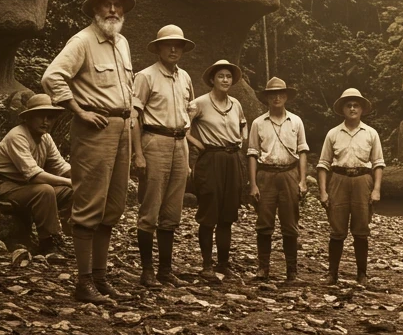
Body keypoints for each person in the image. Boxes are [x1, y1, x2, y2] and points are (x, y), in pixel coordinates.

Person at [41, 0, 136, 304]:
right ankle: (83, 282)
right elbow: (52, 76)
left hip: (122, 127)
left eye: (117, 4)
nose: (112, 9)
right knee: (89, 205)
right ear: (95, 9)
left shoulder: (121, 42)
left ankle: (99, 277)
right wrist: (78, 110)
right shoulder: (82, 41)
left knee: (113, 206)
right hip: (95, 128)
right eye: (106, 4)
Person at [132, 24, 197, 287]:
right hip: (154, 141)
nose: (173, 49)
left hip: (179, 143)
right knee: (151, 209)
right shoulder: (145, 76)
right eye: (168, 44)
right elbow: (135, 116)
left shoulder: (185, 78)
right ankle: (147, 271)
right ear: (158, 48)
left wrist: (188, 154)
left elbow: (188, 113)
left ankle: (165, 270)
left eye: (178, 45)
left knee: (172, 210)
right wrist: (138, 153)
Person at [0, 93, 73, 256]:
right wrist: (69, 181)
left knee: (70, 191)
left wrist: (83, 178)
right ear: (28, 118)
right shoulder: (18, 136)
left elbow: (61, 166)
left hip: (25, 188)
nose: (46, 121)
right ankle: (47, 241)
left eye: (49, 117)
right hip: (1, 187)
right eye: (40, 116)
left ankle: (72, 233)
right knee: (45, 190)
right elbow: (34, 175)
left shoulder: (46, 138)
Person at [316, 88, 384, 287]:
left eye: (356, 105)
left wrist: (376, 189)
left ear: (361, 109)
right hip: (338, 179)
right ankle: (332, 274)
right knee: (337, 229)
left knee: (361, 229)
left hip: (363, 180)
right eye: (349, 105)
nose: (352, 108)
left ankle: (362, 274)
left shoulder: (371, 133)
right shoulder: (333, 134)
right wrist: (323, 191)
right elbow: (323, 164)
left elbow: (378, 163)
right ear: (343, 109)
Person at [187, 60, 248, 280]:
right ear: (212, 79)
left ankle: (223, 264)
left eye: (228, 77)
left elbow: (243, 125)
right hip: (210, 160)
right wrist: (198, 144)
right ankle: (206, 265)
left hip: (232, 160)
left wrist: (241, 140)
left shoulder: (236, 104)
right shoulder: (199, 103)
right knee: (209, 212)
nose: (225, 80)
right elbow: (183, 126)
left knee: (227, 213)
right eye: (220, 76)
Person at [245, 77, 309, 283]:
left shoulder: (296, 121)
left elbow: (302, 152)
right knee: (264, 223)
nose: (277, 97)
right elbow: (252, 153)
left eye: (281, 94)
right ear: (267, 98)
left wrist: (302, 181)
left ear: (287, 96)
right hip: (266, 175)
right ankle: (263, 268)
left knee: (290, 224)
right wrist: (253, 183)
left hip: (290, 174)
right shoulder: (258, 123)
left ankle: (292, 271)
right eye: (273, 94)